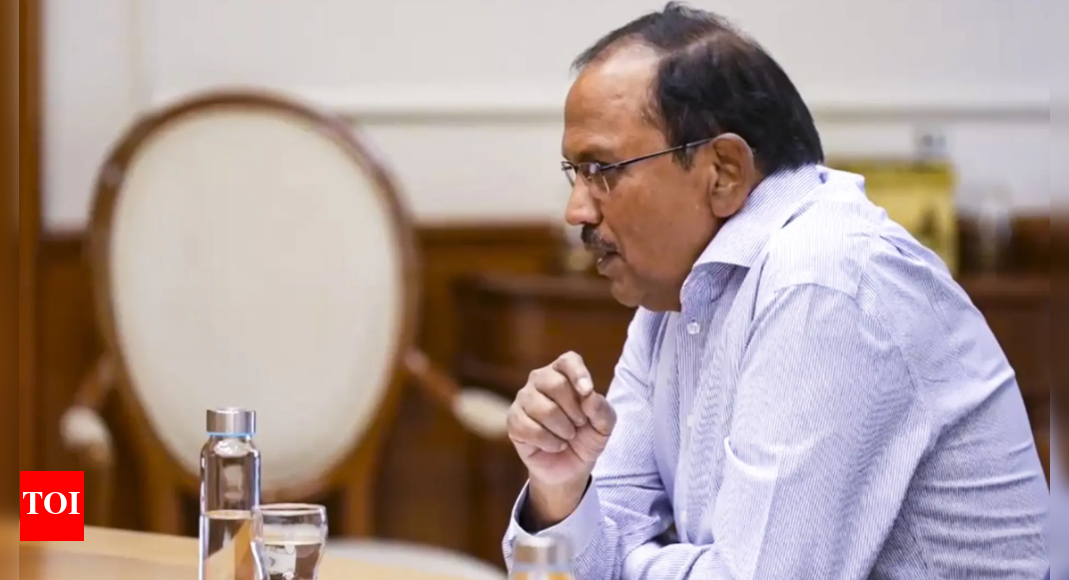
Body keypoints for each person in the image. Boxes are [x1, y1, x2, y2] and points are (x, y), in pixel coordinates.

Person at [500, 3, 1049, 579]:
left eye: (603, 170)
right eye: (576, 174)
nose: (576, 210)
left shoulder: (826, 281)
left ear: (724, 171)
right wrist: (559, 493)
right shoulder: (672, 295)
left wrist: (615, 559)